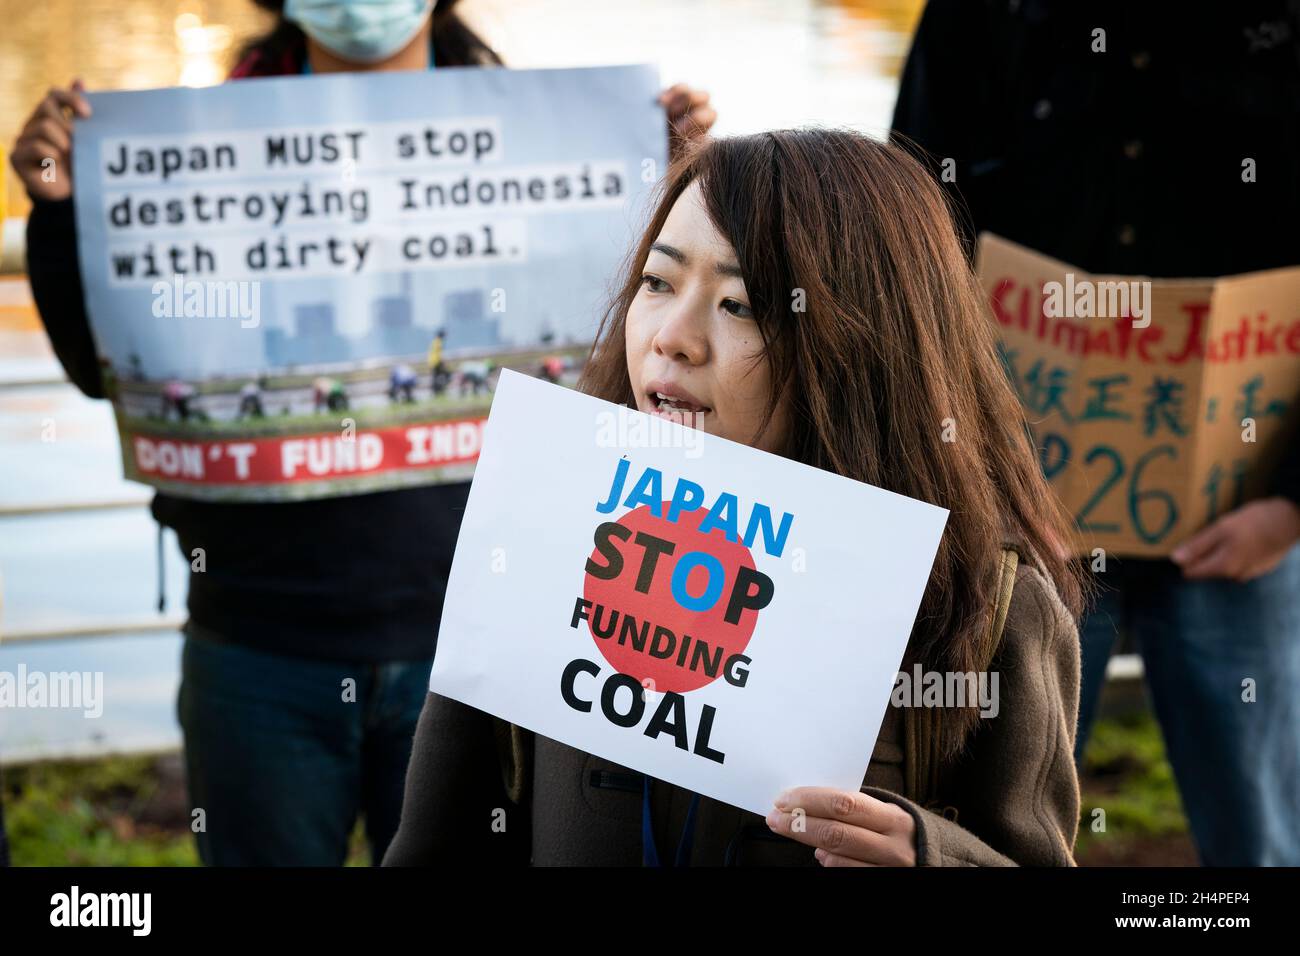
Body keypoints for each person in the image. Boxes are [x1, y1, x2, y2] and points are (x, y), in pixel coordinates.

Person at [11, 0, 716, 866]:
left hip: (481, 637)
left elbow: (651, 362)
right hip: (259, 640)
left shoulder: (557, 135)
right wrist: (59, 215)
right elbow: (110, 370)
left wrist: (675, 182)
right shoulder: (183, 149)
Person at [384, 130, 1086, 867]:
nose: (673, 338)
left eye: (741, 304)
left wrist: (933, 855)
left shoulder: (986, 601)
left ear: (865, 344)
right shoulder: (539, 532)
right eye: (657, 283)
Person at [891, 0, 1300, 865]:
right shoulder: (982, 15)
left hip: (1252, 499)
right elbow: (906, 237)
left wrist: (1294, 504)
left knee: (1258, 824)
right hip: (1016, 511)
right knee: (1007, 817)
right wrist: (975, 473)